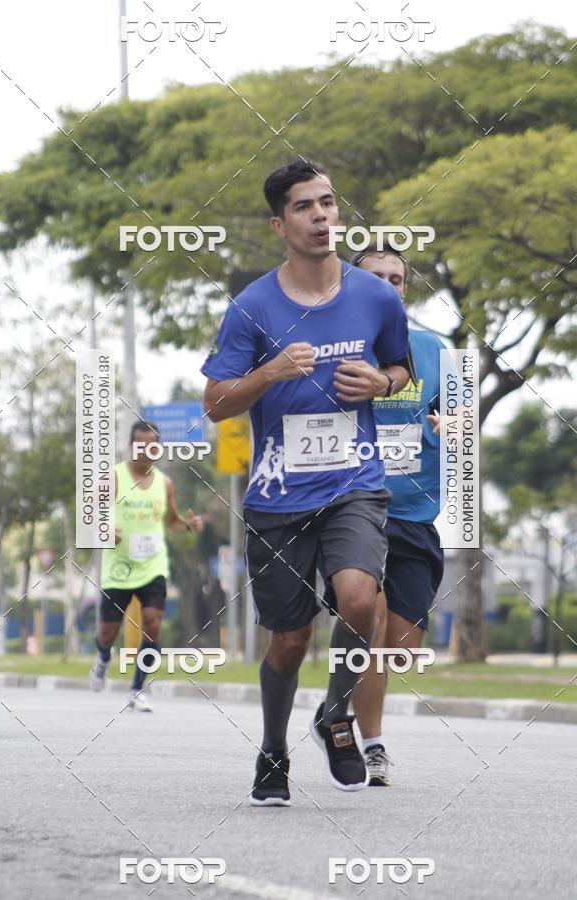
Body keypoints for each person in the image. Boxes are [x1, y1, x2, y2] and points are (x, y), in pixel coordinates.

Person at [201, 159, 412, 805]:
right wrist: (268, 374)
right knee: (289, 640)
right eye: (305, 206)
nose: (322, 215)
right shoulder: (252, 307)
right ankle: (272, 749)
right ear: (279, 222)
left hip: (355, 483)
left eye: (327, 203)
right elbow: (215, 403)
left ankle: (333, 714)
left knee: (358, 600)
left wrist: (381, 384)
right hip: (278, 497)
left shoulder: (376, 296)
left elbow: (399, 367)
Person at [349, 247, 446, 785]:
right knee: (372, 621)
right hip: (354, 508)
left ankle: (334, 708)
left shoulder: (437, 351)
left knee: (405, 651)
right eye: (377, 278)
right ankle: (374, 746)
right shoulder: (338, 349)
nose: (389, 285)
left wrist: (450, 430)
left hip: (414, 512)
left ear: (405, 289)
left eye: (397, 278)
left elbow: (461, 427)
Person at [89, 421, 203, 711]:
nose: (146, 451)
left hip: (153, 566)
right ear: (130, 446)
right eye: (140, 445)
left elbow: (173, 520)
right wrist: (105, 529)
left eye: (152, 445)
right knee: (108, 634)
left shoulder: (164, 484)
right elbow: (92, 516)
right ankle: (103, 658)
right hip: (119, 568)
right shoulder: (113, 478)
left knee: (152, 625)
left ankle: (138, 688)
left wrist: (189, 525)